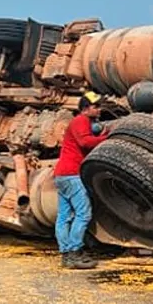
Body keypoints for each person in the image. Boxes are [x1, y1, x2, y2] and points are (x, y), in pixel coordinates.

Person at [53, 91, 109, 269]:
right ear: (85, 108)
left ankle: (66, 255)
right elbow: (85, 142)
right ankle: (75, 252)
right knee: (83, 213)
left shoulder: (80, 122)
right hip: (71, 175)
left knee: (64, 216)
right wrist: (105, 138)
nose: (99, 110)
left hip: (61, 174)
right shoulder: (81, 120)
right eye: (96, 107)